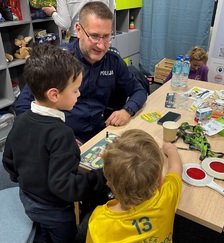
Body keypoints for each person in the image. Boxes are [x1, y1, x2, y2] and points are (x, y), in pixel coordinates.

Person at [2, 44, 108, 243]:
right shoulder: (62, 134)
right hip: (55, 210)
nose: (79, 94)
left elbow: (8, 161)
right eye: (76, 89)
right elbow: (66, 188)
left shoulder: (20, 120)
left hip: (27, 198)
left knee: (40, 230)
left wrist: (26, 179)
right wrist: (101, 176)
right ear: (54, 94)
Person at [14, 2, 147, 144]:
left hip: (101, 132)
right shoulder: (58, 61)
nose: (101, 45)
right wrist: (55, 135)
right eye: (94, 36)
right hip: (62, 136)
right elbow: (22, 107)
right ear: (78, 30)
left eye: (107, 37)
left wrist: (127, 110)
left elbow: (138, 90)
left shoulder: (113, 60)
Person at [84, 129, 183, 243]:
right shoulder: (167, 194)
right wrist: (171, 149)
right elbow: (176, 167)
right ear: (160, 181)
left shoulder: (99, 223)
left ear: (108, 180)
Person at [42, 0, 116, 42]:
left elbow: (64, 24)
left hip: (79, 39)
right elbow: (110, 15)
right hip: (103, 38)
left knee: (78, 68)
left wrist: (52, 13)